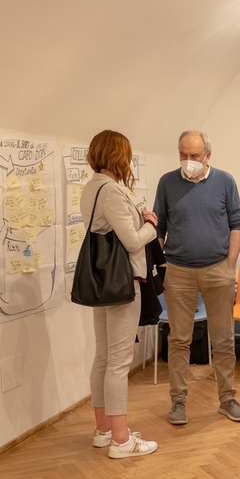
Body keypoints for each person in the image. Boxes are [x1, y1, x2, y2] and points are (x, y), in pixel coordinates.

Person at [154, 130, 240, 426]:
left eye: (194, 155)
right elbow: (158, 227)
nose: (188, 160)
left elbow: (237, 222)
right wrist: (162, 262)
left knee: (223, 339)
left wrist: (230, 263)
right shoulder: (167, 182)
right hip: (178, 272)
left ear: (208, 155)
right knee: (178, 340)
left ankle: (227, 399)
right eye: (183, 155)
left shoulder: (225, 181)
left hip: (217, 270)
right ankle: (178, 401)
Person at [81, 130, 160, 458]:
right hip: (122, 283)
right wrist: (150, 225)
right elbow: (131, 241)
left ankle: (104, 431)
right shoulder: (112, 191)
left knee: (103, 357)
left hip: (103, 283)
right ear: (118, 157)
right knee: (118, 362)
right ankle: (121, 440)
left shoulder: (92, 187)